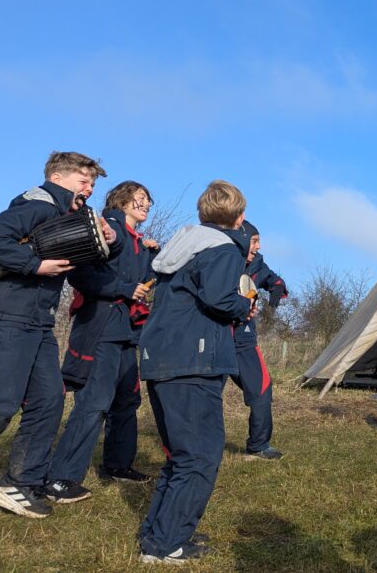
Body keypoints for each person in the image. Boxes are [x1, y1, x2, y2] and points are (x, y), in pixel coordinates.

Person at [0, 151, 111, 526]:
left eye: (93, 183)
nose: (90, 188)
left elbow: (92, 255)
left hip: (37, 323)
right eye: (84, 181)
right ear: (59, 178)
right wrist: (35, 265)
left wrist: (111, 238)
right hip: (5, 319)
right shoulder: (39, 203)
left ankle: (19, 482)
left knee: (48, 399)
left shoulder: (67, 215)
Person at [137, 180, 253, 564]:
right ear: (238, 218)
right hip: (193, 361)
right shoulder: (222, 248)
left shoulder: (183, 245)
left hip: (163, 356)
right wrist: (243, 306)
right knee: (200, 455)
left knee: (181, 455)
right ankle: (168, 543)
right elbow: (220, 298)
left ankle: (159, 535)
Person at [44, 181, 158, 504]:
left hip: (126, 333)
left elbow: (142, 283)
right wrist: (124, 288)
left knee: (127, 401)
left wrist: (153, 256)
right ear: (122, 200)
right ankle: (60, 478)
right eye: (140, 198)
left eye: (148, 201)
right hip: (101, 329)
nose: (146, 204)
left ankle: (118, 465)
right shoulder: (108, 228)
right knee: (94, 402)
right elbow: (79, 276)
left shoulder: (138, 242)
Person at [230, 220, 288, 460]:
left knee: (262, 389)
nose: (258, 246)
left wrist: (276, 289)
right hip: (214, 338)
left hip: (243, 341)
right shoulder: (221, 259)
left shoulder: (257, 263)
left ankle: (259, 445)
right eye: (254, 241)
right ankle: (192, 447)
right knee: (203, 395)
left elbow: (276, 282)